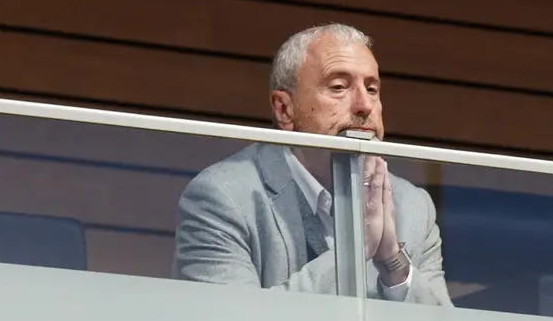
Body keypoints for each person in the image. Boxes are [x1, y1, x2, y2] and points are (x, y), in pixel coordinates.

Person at [172, 23, 453, 306]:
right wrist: (353, 252)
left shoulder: (414, 206)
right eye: (339, 87)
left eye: (372, 88)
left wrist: (394, 263)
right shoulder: (222, 197)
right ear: (285, 110)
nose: (364, 105)